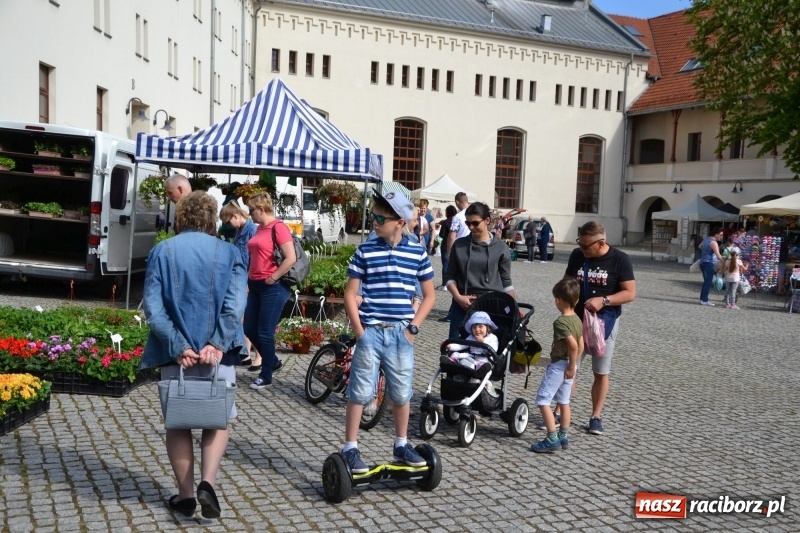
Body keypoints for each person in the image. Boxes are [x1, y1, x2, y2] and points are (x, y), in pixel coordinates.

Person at [141, 191, 246, 519]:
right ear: (212, 219)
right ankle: (208, 484)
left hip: (178, 356)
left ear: (180, 217)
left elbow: (153, 308)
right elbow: (235, 304)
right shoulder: (230, 252)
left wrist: (177, 345)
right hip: (218, 354)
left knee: (179, 422)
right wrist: (216, 344)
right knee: (217, 419)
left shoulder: (162, 250)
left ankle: (186, 496)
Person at [340, 191, 435, 474]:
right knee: (359, 391)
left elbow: (429, 296)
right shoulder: (366, 250)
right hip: (371, 332)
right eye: (374, 217)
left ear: (399, 221)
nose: (374, 222)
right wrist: (360, 332)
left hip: (400, 335)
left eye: (380, 218)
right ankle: (350, 447)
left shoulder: (417, 252)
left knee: (401, 392)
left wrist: (413, 329)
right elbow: (349, 293)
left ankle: (401, 443)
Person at [560, 221, 636, 436]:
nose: (582, 250)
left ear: (601, 242)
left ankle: (596, 416)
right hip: (575, 321)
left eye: (586, 246)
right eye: (580, 245)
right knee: (569, 367)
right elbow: (567, 282)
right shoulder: (577, 255)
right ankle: (560, 410)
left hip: (604, 321)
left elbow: (630, 293)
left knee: (600, 372)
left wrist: (604, 300)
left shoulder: (620, 259)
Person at [244, 193, 297, 390]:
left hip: (273, 287)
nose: (250, 214)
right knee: (249, 328)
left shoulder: (278, 227)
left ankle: (266, 375)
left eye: (252, 210)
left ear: (262, 209)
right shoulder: (259, 228)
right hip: (256, 284)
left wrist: (274, 277)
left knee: (265, 332)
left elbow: (290, 257)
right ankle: (272, 360)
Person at [443, 202, 516, 340]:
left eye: (475, 223)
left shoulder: (501, 248)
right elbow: (449, 276)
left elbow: (506, 282)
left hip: (492, 304)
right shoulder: (459, 245)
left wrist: (514, 308)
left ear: (487, 221)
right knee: (455, 348)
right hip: (463, 304)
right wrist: (458, 297)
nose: (471, 227)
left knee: (491, 349)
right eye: (468, 223)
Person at [531, 278, 583, 453]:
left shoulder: (561, 322)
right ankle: (563, 435)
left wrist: (569, 366)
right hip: (570, 365)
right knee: (564, 401)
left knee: (543, 400)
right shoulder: (577, 319)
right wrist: (574, 365)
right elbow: (581, 345)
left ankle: (552, 437)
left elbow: (573, 345)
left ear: (558, 300)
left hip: (560, 365)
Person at [220, 201, 261, 371]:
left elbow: (253, 258)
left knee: (250, 318)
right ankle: (246, 352)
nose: (228, 226)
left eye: (228, 222)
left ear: (236, 216)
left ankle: (260, 356)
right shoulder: (240, 231)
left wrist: (248, 283)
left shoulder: (251, 230)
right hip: (242, 277)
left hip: (249, 278)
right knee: (244, 316)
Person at [699, 227, 724, 306]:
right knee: (708, 282)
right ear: (716, 234)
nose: (721, 237)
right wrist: (725, 263)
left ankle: (702, 298)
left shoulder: (706, 239)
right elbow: (718, 255)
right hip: (708, 263)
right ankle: (705, 300)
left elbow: (700, 246)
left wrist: (706, 251)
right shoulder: (713, 242)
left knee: (706, 281)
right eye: (720, 235)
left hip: (702, 262)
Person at [438, 205, 458, 292]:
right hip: (456, 245)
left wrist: (435, 244)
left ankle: (444, 284)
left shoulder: (446, 222)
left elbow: (441, 236)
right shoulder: (458, 221)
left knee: (445, 265)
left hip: (445, 246)